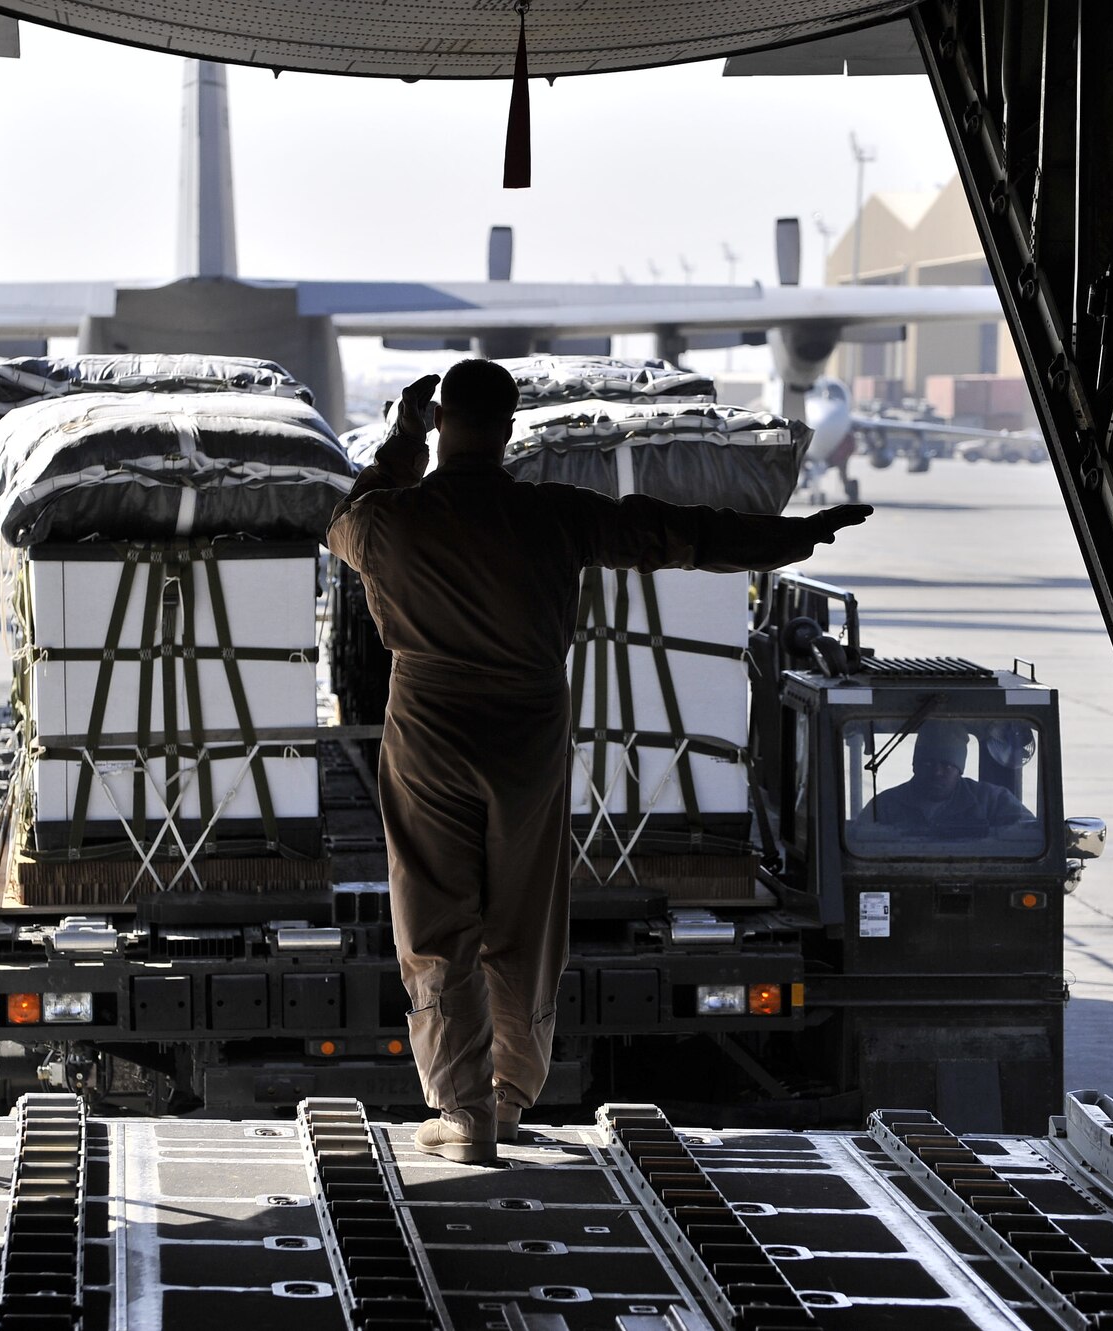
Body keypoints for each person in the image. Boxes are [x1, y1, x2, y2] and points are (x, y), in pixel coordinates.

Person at [326, 360, 871, 1163]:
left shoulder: (391, 523)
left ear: (444, 423)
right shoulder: (552, 515)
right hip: (528, 737)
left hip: (431, 738)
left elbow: (345, 515)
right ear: (510, 430)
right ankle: (509, 1092)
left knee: (440, 925)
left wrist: (406, 439)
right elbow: (676, 535)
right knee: (524, 921)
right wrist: (789, 538)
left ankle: (464, 1111)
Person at [856, 721, 1031, 833]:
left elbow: (1031, 834)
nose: (937, 772)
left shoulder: (993, 801)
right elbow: (857, 838)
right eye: (928, 763)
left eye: (947, 765)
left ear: (959, 770)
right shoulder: (885, 805)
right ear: (914, 765)